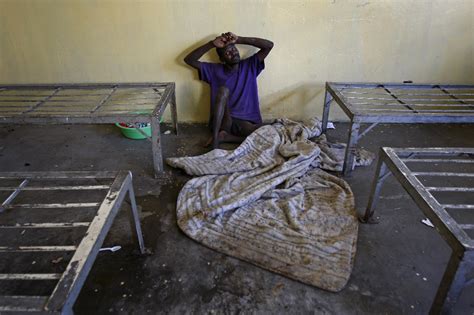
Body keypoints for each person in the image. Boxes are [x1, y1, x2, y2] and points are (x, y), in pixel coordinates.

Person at [184, 32, 273, 149]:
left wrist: (239, 39)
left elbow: (269, 45)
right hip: (224, 120)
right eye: (228, 52)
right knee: (223, 90)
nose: (233, 53)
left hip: (246, 122)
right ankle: (216, 139)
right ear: (222, 59)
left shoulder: (249, 66)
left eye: (234, 49)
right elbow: (189, 60)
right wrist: (211, 44)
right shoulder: (214, 70)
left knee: (269, 130)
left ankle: (226, 138)